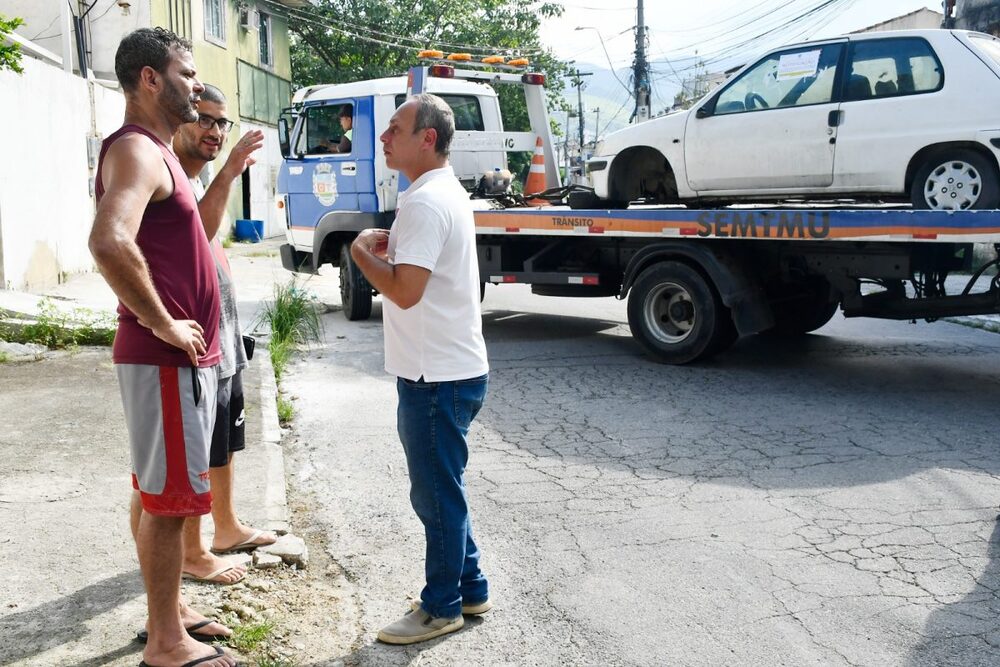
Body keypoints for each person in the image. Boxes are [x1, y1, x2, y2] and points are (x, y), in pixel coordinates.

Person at [88, 28, 236, 667]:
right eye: (186, 71)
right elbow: (108, 240)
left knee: (161, 493)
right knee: (171, 501)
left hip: (178, 361)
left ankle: (169, 613)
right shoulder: (137, 151)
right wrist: (164, 322)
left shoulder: (159, 148)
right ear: (150, 78)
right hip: (165, 356)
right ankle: (165, 642)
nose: (196, 83)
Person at [350, 93, 491, 645]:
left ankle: (441, 607)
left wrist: (361, 254)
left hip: (437, 376)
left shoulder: (427, 202)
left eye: (395, 129)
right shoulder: (438, 193)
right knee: (444, 486)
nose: (384, 138)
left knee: (435, 495)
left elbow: (405, 292)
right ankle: (471, 587)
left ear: (426, 138)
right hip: (447, 369)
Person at [172, 84, 274, 585]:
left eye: (220, 122)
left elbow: (212, 242)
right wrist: (232, 168)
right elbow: (194, 237)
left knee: (223, 439)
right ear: (180, 120)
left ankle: (226, 527)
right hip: (193, 340)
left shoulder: (197, 177)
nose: (214, 131)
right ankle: (191, 551)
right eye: (204, 120)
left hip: (223, 332)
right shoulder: (171, 173)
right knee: (191, 451)